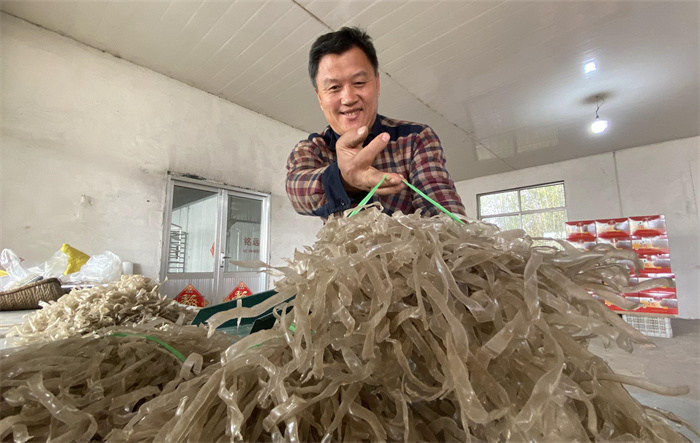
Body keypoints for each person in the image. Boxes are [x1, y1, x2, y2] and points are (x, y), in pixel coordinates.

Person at [285, 26, 466, 220]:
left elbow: (445, 216)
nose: (348, 98)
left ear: (377, 84)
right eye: (334, 87)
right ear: (320, 97)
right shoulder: (312, 150)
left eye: (359, 83)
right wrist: (344, 178)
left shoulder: (415, 139)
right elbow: (297, 191)